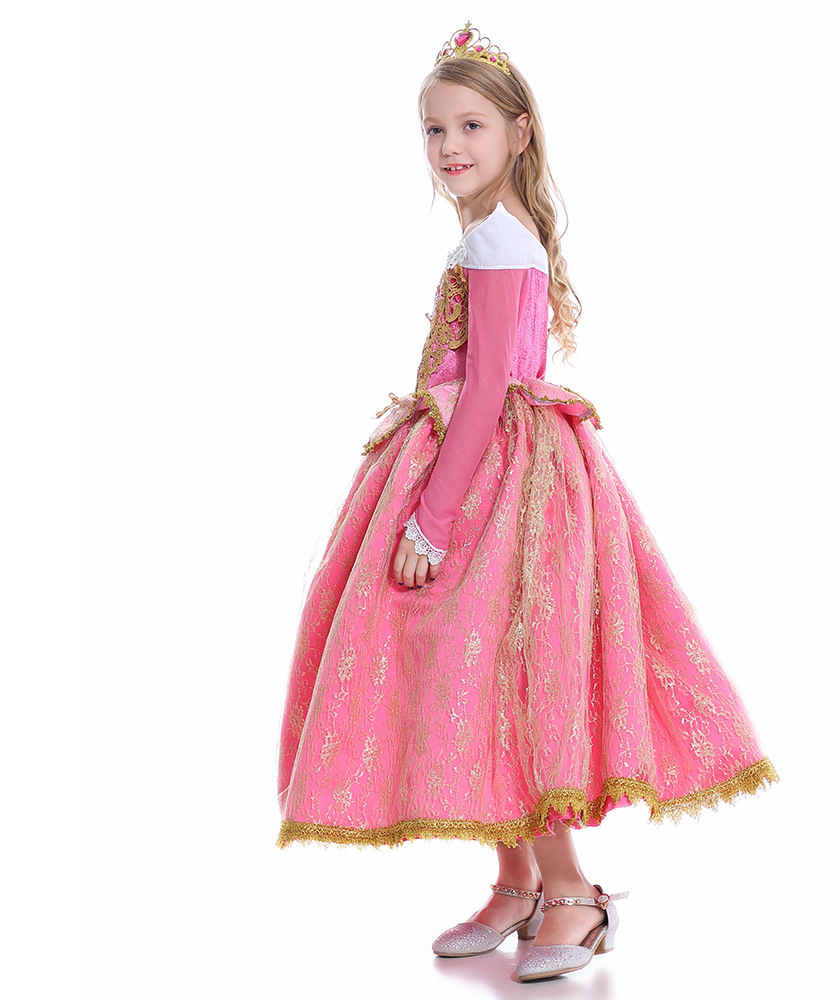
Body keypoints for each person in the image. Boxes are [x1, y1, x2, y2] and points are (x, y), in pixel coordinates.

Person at [275, 21, 780, 983]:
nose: (449, 146)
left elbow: (488, 394)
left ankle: (572, 891)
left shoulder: (499, 238)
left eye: (470, 125)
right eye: (434, 129)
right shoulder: (491, 231)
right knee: (460, 666)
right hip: (491, 466)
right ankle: (516, 883)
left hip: (496, 482)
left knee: (506, 673)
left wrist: (433, 517)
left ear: (519, 133)